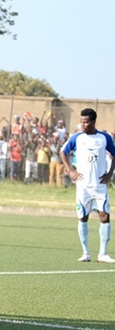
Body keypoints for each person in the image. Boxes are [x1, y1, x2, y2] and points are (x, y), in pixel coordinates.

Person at [60, 108, 115, 263]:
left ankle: (103, 254)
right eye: (81, 122)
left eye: (86, 122)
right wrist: (70, 170)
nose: (83, 125)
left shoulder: (104, 138)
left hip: (99, 185)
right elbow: (63, 152)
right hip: (83, 186)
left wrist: (110, 173)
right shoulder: (76, 138)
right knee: (83, 217)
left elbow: (114, 153)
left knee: (104, 216)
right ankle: (86, 253)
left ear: (93, 122)